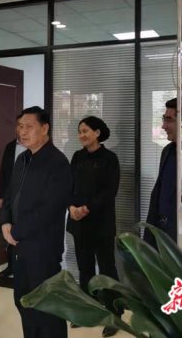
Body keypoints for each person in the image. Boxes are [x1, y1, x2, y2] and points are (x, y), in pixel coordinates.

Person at [0, 106, 72, 338]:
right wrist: (5, 223)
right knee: (24, 302)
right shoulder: (22, 159)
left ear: (45, 128)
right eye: (20, 126)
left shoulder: (57, 163)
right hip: (19, 246)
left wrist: (16, 232)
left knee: (48, 308)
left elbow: (49, 209)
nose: (22, 131)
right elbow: (9, 195)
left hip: (43, 248)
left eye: (29, 127)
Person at [67, 116, 121, 338]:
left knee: (107, 268)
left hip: (101, 222)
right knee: (85, 268)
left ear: (97, 133)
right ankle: (87, 310)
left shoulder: (110, 159)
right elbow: (68, 185)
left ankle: (114, 314)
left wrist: (86, 208)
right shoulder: (77, 156)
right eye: (80, 131)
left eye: (86, 131)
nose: (81, 135)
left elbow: (109, 192)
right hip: (79, 222)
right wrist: (71, 207)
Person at [144, 97, 178, 247]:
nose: (164, 126)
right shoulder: (167, 151)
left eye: (169, 120)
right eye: (164, 119)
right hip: (161, 233)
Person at [0, 116, 27, 277]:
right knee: (9, 229)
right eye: (19, 126)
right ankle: (10, 265)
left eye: (25, 126)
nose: (22, 130)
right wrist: (2, 196)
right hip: (10, 195)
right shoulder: (10, 147)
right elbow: (4, 172)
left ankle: (23, 264)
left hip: (27, 195)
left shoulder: (33, 146)